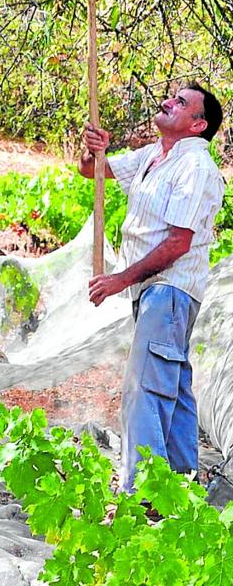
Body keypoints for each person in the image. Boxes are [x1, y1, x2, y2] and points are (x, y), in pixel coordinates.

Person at [79, 83, 225, 492]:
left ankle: (140, 495)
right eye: (171, 96)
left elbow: (179, 242)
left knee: (143, 389)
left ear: (198, 125)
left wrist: (118, 280)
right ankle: (182, 488)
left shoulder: (194, 167)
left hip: (169, 290)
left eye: (180, 103)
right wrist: (94, 148)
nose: (167, 102)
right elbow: (93, 171)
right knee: (172, 391)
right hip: (153, 292)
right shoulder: (154, 156)